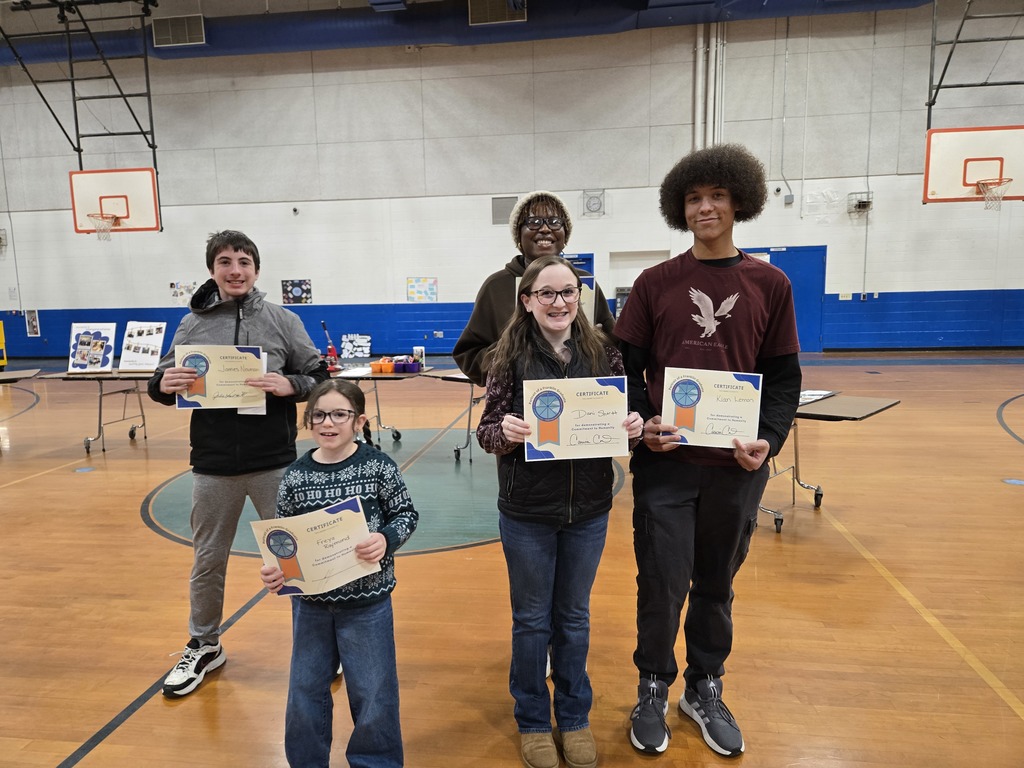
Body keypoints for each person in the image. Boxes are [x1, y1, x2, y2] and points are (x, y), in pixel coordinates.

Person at [614, 144, 802, 758]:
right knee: (661, 583)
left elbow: (784, 379)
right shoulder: (655, 283)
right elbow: (625, 369)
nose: (705, 207)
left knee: (716, 585)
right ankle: (652, 686)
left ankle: (703, 687)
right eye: (694, 198)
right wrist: (642, 423)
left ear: (739, 201)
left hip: (735, 471)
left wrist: (768, 441)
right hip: (666, 467)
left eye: (717, 195)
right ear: (680, 208)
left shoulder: (770, 284)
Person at [476, 254, 644, 768]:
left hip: (589, 510)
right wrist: (505, 432)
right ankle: (532, 720)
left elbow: (621, 423)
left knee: (573, 618)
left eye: (568, 291)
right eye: (546, 293)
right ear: (527, 301)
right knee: (531, 621)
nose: (559, 302)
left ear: (580, 297)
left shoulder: (604, 354)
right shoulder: (507, 357)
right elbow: (486, 433)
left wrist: (632, 427)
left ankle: (573, 717)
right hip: (527, 512)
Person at [148, 229, 330, 698]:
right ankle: (205, 645)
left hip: (273, 462)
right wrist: (162, 384)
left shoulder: (282, 320)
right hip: (213, 466)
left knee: (295, 557)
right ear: (212, 270)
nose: (235, 271)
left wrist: (291, 385)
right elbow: (162, 380)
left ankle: (317, 647)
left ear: (256, 269)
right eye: (225, 262)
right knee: (207, 561)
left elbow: (319, 375)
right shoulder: (192, 323)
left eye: (244, 262)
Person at [260, 379, 418, 768]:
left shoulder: (378, 466)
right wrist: (276, 572)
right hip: (310, 606)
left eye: (339, 415)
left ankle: (376, 761)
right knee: (305, 691)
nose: (327, 423)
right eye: (318, 415)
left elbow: (406, 514)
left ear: (359, 421)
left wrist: (385, 539)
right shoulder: (296, 476)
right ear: (308, 420)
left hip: (368, 604)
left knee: (374, 692)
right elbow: (283, 541)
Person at [453, 190, 617, 388]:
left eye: (555, 222)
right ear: (518, 235)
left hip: (581, 396)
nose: (545, 229)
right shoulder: (495, 287)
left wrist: (593, 342)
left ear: (565, 234)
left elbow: (613, 343)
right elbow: (468, 354)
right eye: (534, 222)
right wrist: (508, 359)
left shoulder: (584, 282)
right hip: (519, 399)